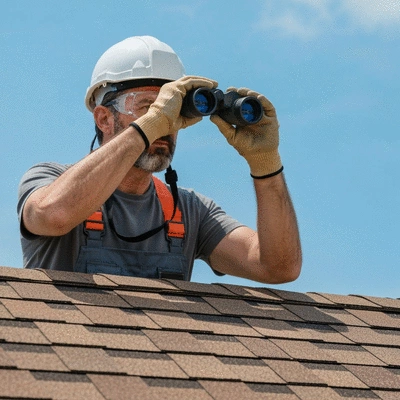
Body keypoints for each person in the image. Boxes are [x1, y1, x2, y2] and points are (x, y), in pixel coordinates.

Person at [17, 35, 302, 283]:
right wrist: (150, 125)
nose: (165, 124)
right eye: (147, 107)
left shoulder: (189, 211)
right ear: (104, 118)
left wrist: (265, 163)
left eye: (172, 111)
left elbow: (278, 267)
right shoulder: (48, 179)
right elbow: (53, 215)